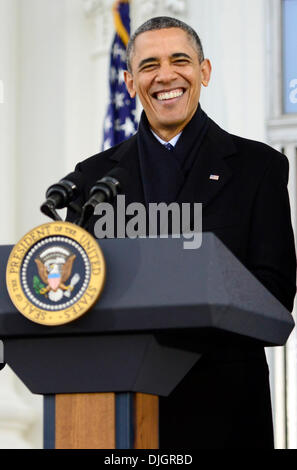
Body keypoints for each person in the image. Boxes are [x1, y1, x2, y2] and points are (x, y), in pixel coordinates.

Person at [67, 17, 296, 448]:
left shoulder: (257, 168)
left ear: (204, 72)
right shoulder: (92, 180)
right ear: (130, 82)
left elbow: (274, 294)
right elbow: (76, 290)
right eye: (150, 65)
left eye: (180, 60)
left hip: (224, 408)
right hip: (119, 409)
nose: (166, 75)